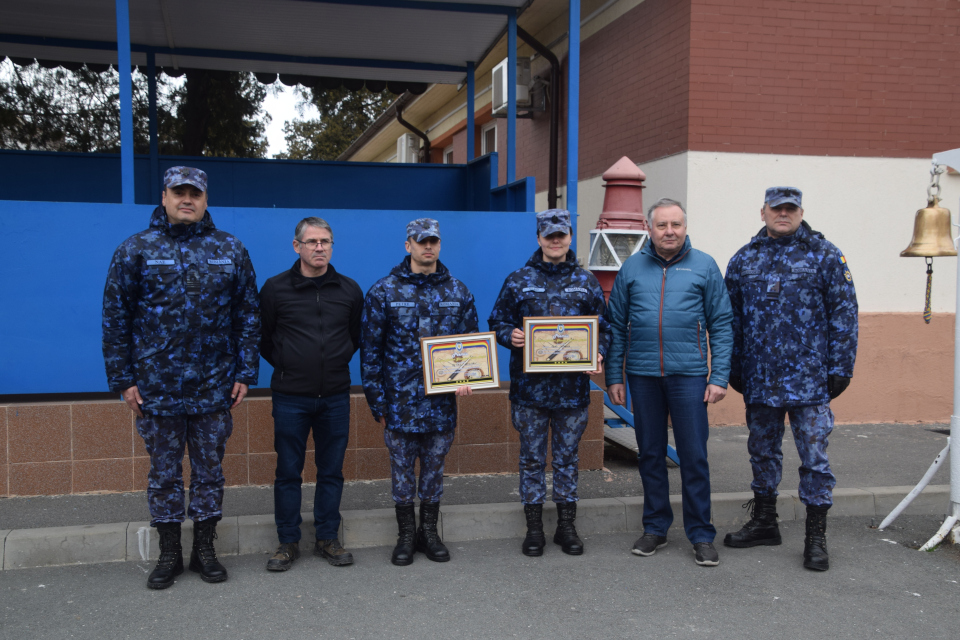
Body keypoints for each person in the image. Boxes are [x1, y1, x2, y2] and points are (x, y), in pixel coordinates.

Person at [102, 166, 260, 589]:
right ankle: (169, 552)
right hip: (157, 386)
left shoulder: (230, 249)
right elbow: (115, 318)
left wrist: (246, 371)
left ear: (205, 200)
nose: (187, 199)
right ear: (165, 196)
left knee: (209, 471)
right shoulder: (136, 249)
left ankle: (204, 549)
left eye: (195, 193)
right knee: (164, 474)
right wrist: (123, 379)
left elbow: (247, 314)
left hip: (214, 384)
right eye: (179, 192)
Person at [722, 187, 858, 572]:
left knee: (814, 459)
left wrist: (841, 368)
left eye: (790, 209)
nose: (783, 214)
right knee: (762, 452)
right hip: (760, 378)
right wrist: (734, 366)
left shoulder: (825, 255)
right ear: (763, 211)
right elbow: (731, 319)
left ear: (800, 212)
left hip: (810, 380)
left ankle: (815, 537)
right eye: (776, 208)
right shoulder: (744, 259)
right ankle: (765, 522)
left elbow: (845, 314)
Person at [605, 197, 732, 567]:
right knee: (650, 454)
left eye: (676, 224)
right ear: (650, 228)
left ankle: (701, 534)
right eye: (662, 225)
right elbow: (616, 326)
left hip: (689, 376)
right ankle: (655, 527)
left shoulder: (704, 266)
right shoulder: (632, 267)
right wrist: (614, 376)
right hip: (642, 376)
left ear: (685, 227)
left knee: (694, 456)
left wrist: (718, 376)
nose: (669, 231)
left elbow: (722, 324)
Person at [488, 209, 611, 557]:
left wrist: (598, 352)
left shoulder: (586, 281)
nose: (556, 240)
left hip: (572, 391)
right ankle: (534, 529)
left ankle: (566, 527)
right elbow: (498, 321)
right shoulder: (518, 279)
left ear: (570, 236)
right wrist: (509, 335)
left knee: (567, 458)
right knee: (531, 459)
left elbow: (605, 327)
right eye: (549, 235)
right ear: (539, 238)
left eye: (561, 234)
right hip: (530, 391)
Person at [360, 218, 478, 566]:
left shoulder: (458, 291)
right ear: (408, 245)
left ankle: (429, 532)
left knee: (434, 469)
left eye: (433, 241)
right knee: (401, 471)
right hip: (400, 403)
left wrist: (469, 376)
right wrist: (377, 402)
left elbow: (470, 344)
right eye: (421, 241)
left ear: (439, 244)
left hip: (441, 403)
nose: (428, 247)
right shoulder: (384, 291)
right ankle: (406, 535)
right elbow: (370, 352)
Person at [259, 217, 364, 572]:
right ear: (297, 246)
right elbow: (264, 338)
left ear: (332, 246)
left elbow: (354, 337)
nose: (320, 247)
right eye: (312, 242)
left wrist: (333, 362)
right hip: (290, 397)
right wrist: (289, 363)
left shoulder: (349, 290)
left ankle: (327, 538)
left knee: (331, 470)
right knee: (288, 470)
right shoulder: (275, 289)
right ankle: (287, 541)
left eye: (326, 241)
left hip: (335, 396)